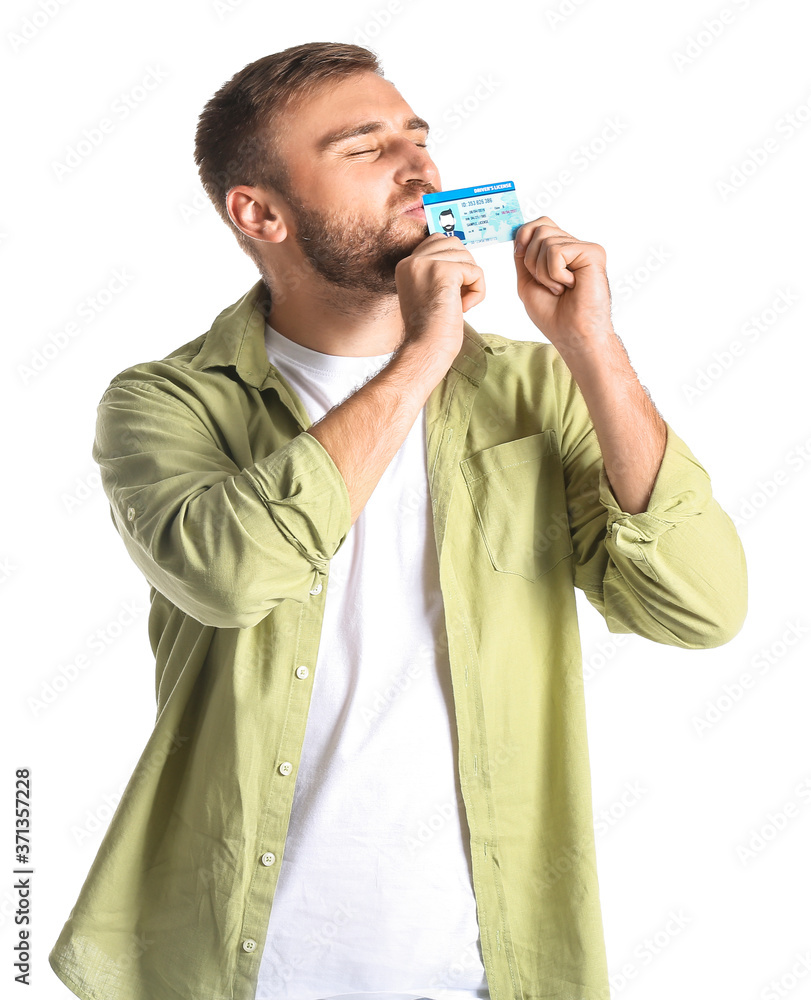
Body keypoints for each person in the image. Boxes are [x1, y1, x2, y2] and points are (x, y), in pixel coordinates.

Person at [49, 40, 747, 1000]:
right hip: (233, 965)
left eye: (417, 138)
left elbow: (701, 608)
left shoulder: (533, 386)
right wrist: (423, 355)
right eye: (364, 148)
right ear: (260, 213)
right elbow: (228, 575)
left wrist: (591, 346)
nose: (418, 168)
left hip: (484, 964)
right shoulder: (166, 403)